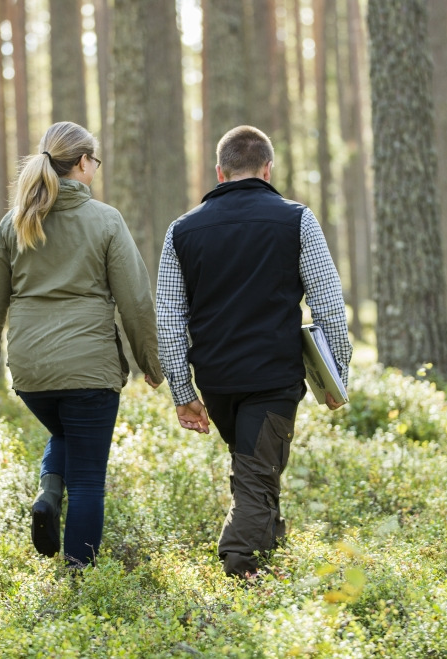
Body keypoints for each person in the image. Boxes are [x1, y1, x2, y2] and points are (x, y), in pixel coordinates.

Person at [156, 125, 351, 579]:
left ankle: (270, 559)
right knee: (256, 474)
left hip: (217, 379)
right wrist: (337, 374)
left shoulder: (181, 231)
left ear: (220, 172)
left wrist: (183, 392)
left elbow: (167, 318)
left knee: (255, 467)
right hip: (273, 378)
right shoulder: (297, 218)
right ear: (268, 169)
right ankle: (240, 564)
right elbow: (327, 304)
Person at [0, 121, 162, 569]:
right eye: (94, 160)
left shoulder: (15, 222)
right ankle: (81, 577)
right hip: (90, 369)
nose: (95, 167)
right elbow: (135, 301)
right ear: (81, 163)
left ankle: (49, 491)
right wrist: (151, 364)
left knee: (64, 433)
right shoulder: (106, 220)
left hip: (32, 371)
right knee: (91, 480)